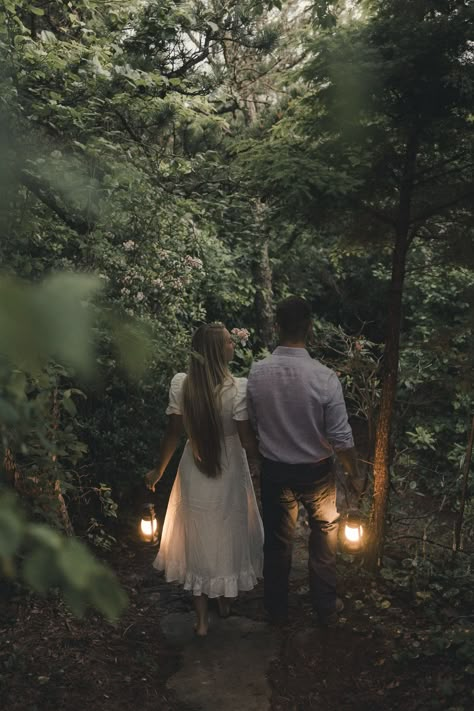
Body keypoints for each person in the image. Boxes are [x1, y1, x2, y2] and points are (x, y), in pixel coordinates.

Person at [247, 296, 364, 626]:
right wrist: (353, 472)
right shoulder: (324, 377)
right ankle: (325, 608)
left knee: (278, 541)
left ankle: (277, 610)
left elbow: (253, 422)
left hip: (274, 470)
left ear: (277, 326)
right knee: (324, 534)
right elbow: (341, 437)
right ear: (309, 328)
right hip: (316, 472)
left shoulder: (257, 374)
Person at [145, 323, 263, 637]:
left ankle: (200, 621)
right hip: (229, 466)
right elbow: (247, 440)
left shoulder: (183, 385)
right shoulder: (237, 388)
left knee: (196, 533)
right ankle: (223, 601)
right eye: (227, 343)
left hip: (194, 465)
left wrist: (159, 470)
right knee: (226, 529)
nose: (232, 346)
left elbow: (172, 434)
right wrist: (263, 462)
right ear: (216, 351)